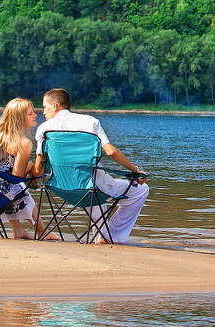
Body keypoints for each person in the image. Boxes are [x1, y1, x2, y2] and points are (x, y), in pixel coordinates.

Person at [35, 88, 149, 244]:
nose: (43, 112)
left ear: (55, 106)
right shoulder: (90, 122)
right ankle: (111, 235)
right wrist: (135, 171)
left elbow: (40, 165)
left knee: (91, 189)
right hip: (92, 187)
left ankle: (105, 233)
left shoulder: (44, 129)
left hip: (60, 186)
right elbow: (110, 151)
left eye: (44, 107)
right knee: (141, 190)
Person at [0, 97, 55, 240]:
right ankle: (41, 231)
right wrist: (33, 169)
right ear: (19, 118)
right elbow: (16, 175)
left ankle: (18, 230)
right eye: (30, 113)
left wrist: (28, 165)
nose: (35, 115)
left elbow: (1, 164)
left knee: (12, 185)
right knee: (19, 186)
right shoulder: (23, 143)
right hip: (1, 195)